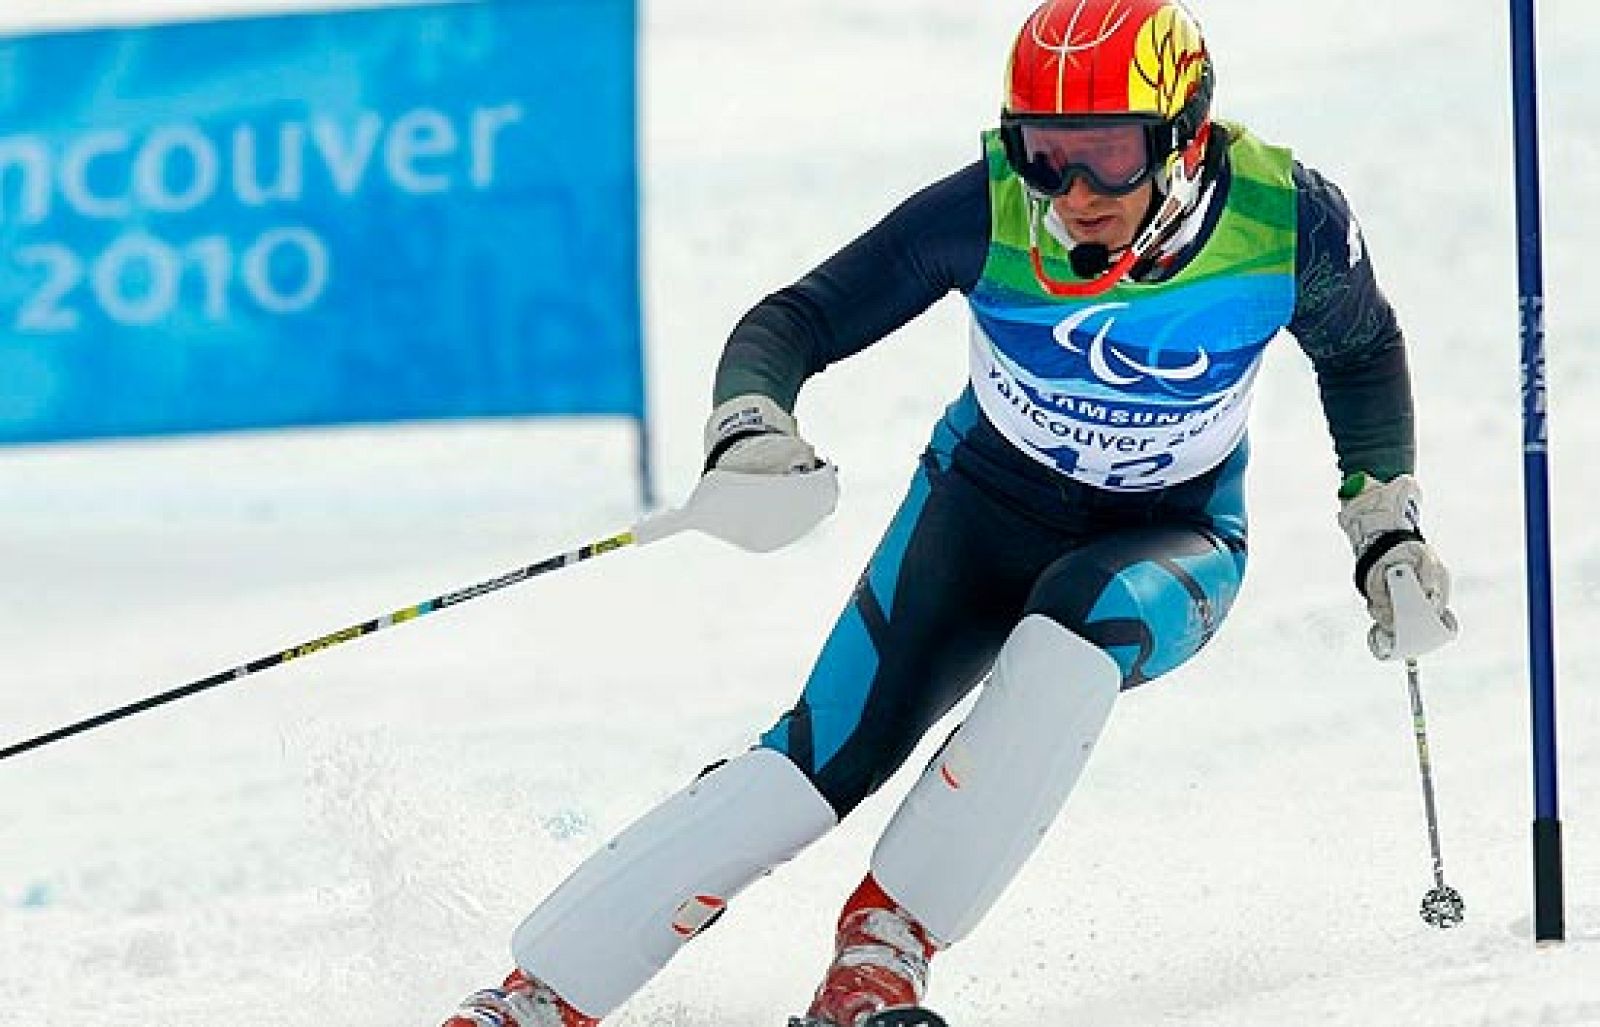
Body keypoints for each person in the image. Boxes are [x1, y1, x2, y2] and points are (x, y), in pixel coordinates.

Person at [442, 1, 1458, 1024]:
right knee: (812, 764)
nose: (1072, 192)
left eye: (1107, 154)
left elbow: (1360, 351)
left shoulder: (1287, 221)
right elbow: (794, 318)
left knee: (1075, 628)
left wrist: (1385, 524)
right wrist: (751, 427)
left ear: (1184, 137)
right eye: (1042, 152)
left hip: (1172, 536)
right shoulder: (989, 212)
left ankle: (880, 952)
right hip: (980, 508)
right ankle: (534, 998)